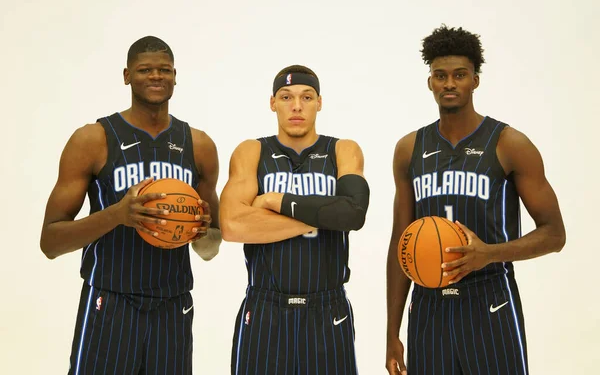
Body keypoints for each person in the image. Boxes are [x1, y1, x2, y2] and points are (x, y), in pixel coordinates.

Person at [385, 25, 566, 375]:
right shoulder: (409, 149)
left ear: (475, 80)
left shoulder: (509, 144)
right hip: (427, 306)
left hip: (490, 301)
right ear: (430, 82)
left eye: (459, 75)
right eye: (440, 75)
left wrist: (489, 254)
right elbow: (400, 241)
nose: (449, 84)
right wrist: (392, 332)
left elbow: (555, 234)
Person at [39, 36, 221, 375]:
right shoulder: (93, 139)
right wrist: (117, 215)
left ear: (175, 76)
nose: (155, 76)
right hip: (110, 301)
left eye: (164, 70)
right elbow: (50, 242)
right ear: (126, 76)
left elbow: (211, 249)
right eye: (145, 70)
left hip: (173, 305)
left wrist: (200, 234)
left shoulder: (200, 145)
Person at [220, 65, 370, 374]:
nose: (297, 106)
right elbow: (232, 225)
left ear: (320, 102)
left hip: (328, 309)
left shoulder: (342, 149)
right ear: (272, 102)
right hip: (264, 308)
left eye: (307, 97)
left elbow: (353, 214)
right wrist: (327, 215)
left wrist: (277, 202)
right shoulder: (252, 151)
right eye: (286, 97)